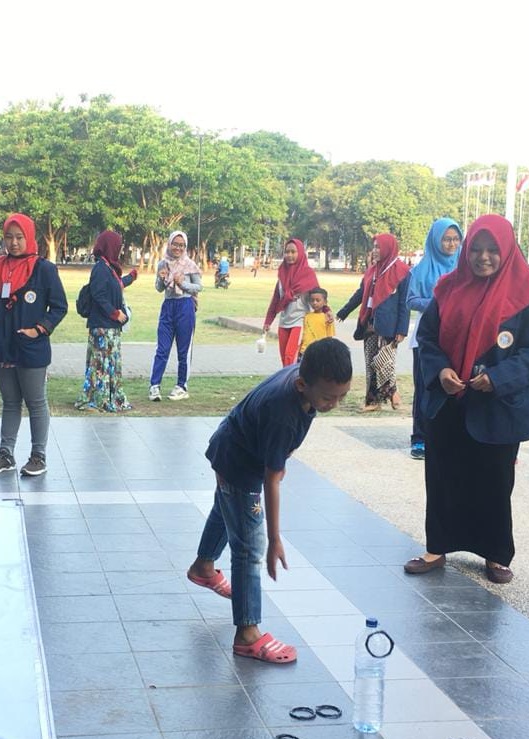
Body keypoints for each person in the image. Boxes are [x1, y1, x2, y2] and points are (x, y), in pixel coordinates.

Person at [403, 214, 529, 584]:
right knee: (441, 475)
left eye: (492, 250)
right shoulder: (447, 288)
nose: (483, 257)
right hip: (450, 401)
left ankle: (496, 554)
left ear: (507, 250)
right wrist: (440, 372)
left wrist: (498, 378)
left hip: (498, 405)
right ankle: (437, 546)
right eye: (476, 250)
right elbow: (429, 339)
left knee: (495, 482)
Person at [186, 338, 353, 663]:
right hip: (239, 463)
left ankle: (204, 567)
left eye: (341, 397)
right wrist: (274, 539)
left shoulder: (306, 377)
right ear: (303, 384)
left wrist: (279, 457)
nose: (334, 404)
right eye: (328, 398)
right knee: (248, 548)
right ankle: (247, 634)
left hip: (233, 445)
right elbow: (270, 483)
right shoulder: (284, 414)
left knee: (226, 508)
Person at [0, 213, 68, 476]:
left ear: (29, 237)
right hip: (3, 347)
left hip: (31, 348)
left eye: (19, 237)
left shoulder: (44, 269)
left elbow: (59, 307)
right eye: (9, 237)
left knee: (36, 402)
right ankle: (6, 455)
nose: (14, 243)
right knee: (9, 402)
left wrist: (38, 329)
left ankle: (38, 456)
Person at [406, 218, 463, 459]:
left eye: (455, 239)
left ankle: (446, 435)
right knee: (425, 388)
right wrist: (438, 303)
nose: (451, 244)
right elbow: (411, 300)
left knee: (454, 386)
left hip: (456, 336)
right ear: (436, 240)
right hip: (426, 338)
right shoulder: (421, 269)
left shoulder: (465, 265)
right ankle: (419, 438)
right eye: (446, 239)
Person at [336, 233, 410, 412]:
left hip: (389, 325)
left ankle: (392, 392)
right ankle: (372, 401)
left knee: (383, 361)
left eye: (378, 247)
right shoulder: (372, 271)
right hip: (368, 323)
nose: (375, 251)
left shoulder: (402, 271)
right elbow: (361, 294)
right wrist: (344, 311)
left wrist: (402, 329)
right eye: (374, 247)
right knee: (371, 363)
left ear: (387, 248)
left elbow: (404, 303)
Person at [75, 230, 137, 412]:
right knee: (100, 365)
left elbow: (115, 286)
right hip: (102, 326)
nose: (119, 249)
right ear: (109, 246)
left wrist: (130, 278)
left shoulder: (109, 268)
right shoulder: (101, 269)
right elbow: (99, 294)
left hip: (110, 327)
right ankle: (95, 399)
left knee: (109, 364)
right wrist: (114, 313)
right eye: (117, 245)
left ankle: (110, 396)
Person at [149, 230, 202, 402]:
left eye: (181, 245)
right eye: (175, 244)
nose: (178, 248)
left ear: (185, 247)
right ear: (169, 244)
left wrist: (183, 283)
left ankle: (181, 386)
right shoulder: (163, 264)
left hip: (185, 306)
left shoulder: (190, 265)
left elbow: (199, 287)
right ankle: (154, 386)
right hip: (168, 307)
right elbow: (158, 288)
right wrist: (161, 279)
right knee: (162, 348)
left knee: (183, 350)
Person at [263, 238, 320, 366]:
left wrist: (326, 311)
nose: (289, 255)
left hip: (300, 321)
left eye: (293, 252)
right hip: (284, 321)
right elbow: (276, 300)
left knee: (290, 356)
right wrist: (268, 321)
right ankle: (289, 384)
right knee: (284, 359)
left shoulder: (308, 274)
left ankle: (293, 384)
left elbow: (318, 297)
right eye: (287, 252)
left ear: (300, 253)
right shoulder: (282, 274)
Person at [298, 287, 335, 355]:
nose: (314, 303)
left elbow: (329, 337)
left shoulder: (328, 318)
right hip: (305, 351)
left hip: (321, 351)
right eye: (312, 300)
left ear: (325, 302)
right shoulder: (307, 316)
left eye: (318, 300)